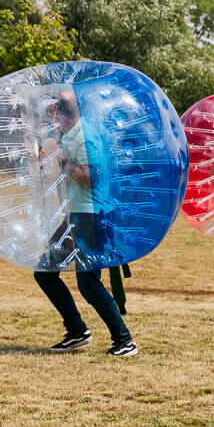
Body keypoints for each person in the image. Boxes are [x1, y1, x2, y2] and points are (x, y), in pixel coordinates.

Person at [34, 90, 138, 356]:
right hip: (76, 214)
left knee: (89, 283)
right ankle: (77, 330)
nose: (51, 118)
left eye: (53, 113)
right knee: (45, 272)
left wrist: (61, 159)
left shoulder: (85, 137)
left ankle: (124, 340)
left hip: (91, 216)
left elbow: (91, 178)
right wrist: (49, 161)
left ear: (60, 114)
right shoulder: (69, 135)